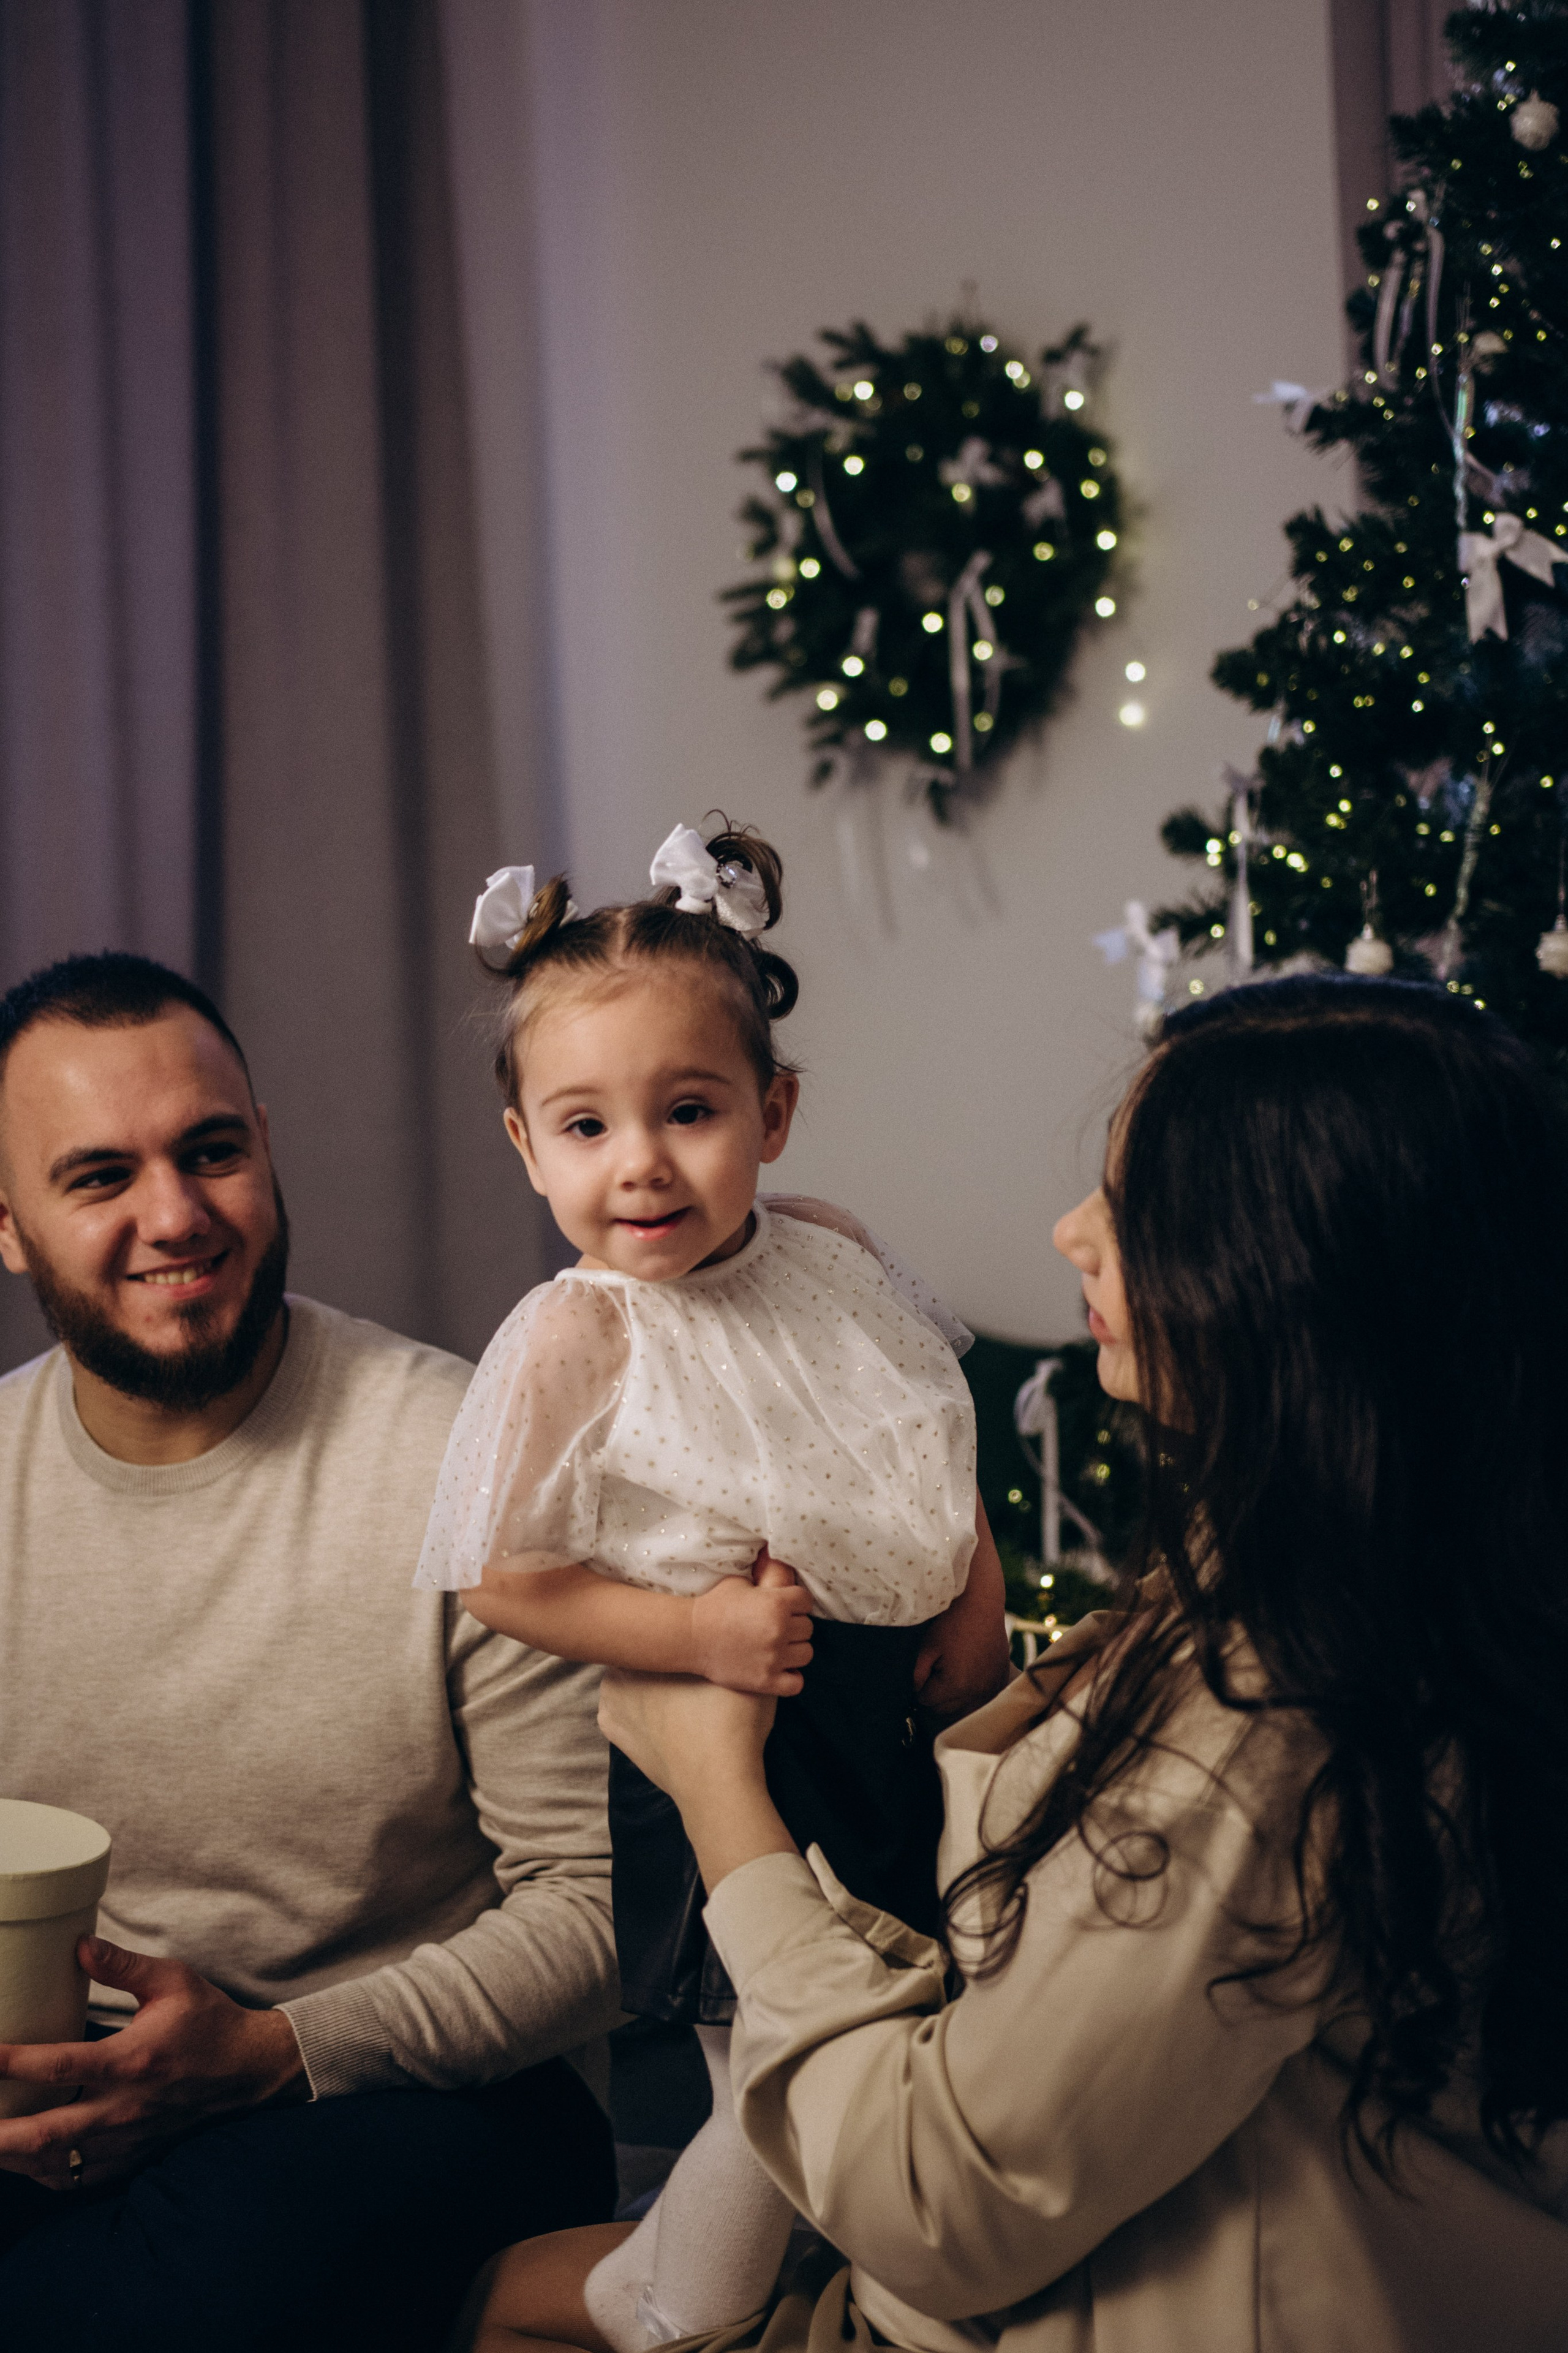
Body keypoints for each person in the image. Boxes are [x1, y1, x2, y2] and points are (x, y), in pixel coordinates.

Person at [466, 974, 1568, 2353]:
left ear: (1292, 1278)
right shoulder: (1381, 1577)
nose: (1070, 1232)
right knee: (508, 2278)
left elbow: (939, 2200)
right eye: (585, 1123)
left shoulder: (1271, 1716)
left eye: (1131, 1202)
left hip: (1019, 2280)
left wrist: (715, 1788)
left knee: (504, 2303)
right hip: (1043, 2181)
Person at [415, 821, 1009, 2352]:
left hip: (885, 1710)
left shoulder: (830, 1250)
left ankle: (667, 2282)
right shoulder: (576, 1334)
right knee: (775, 2062)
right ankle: (675, 2305)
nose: (641, 1163)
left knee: (894, 2023)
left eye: (687, 1110)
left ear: (773, 1111)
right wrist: (694, 1631)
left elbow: (928, 1419)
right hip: (729, 1734)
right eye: (587, 1125)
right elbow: (498, 1577)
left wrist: (974, 1587)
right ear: (526, 1146)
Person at [0, 952, 622, 2353]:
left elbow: (597, 1913)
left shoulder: (466, 1453)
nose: (176, 1214)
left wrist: (270, 2054)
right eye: (99, 1176)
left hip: (418, 2089)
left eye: (210, 1151)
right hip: (71, 2086)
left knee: (188, 2290)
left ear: (267, 1147)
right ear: (9, 1224)